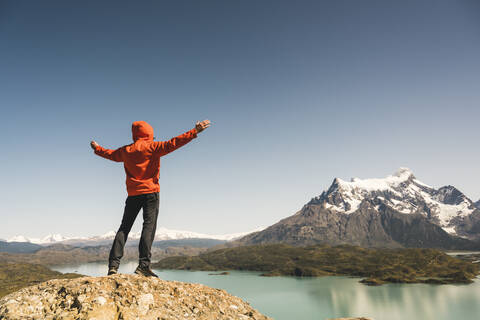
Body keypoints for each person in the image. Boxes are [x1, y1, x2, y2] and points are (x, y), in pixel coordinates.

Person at [90, 120, 211, 277]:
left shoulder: (126, 150)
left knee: (124, 228)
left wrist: (97, 148)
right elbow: (174, 143)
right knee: (149, 226)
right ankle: (143, 266)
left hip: (133, 194)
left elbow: (110, 154)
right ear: (149, 133)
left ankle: (113, 266)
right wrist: (194, 131)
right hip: (151, 193)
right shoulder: (153, 147)